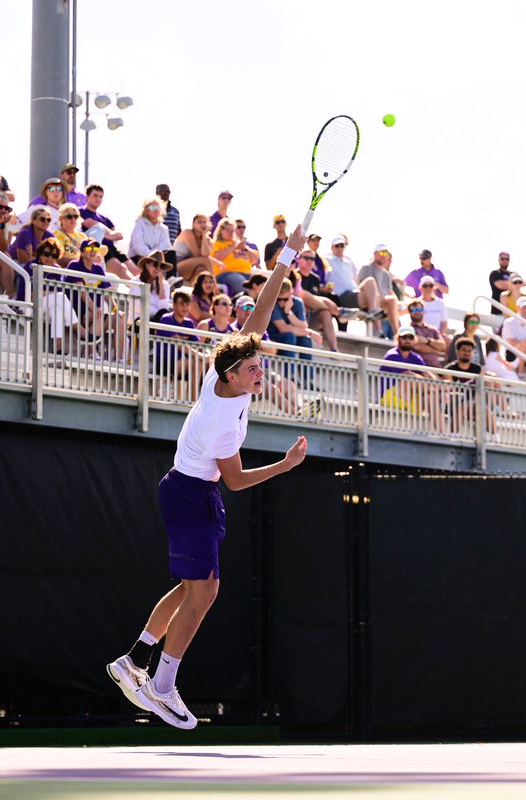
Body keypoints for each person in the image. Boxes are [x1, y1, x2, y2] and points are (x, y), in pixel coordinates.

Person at [106, 225, 309, 730]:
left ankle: (134, 658)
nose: (260, 373)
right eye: (254, 370)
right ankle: (162, 685)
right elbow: (236, 483)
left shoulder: (223, 372)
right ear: (231, 377)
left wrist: (287, 256)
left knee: (190, 587)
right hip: (192, 495)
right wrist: (284, 466)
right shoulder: (223, 424)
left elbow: (257, 316)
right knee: (206, 592)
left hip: (189, 492)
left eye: (259, 366)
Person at [81, 184, 132, 280]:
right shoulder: (80, 212)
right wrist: (107, 233)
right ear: (87, 196)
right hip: (100, 250)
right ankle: (141, 293)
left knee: (136, 270)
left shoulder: (104, 218)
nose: (98, 199)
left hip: (113, 250)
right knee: (121, 269)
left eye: (101, 196)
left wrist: (99, 227)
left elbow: (119, 235)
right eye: (95, 195)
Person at [293, 250, 339, 350]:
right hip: (297, 316)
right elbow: (301, 297)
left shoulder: (315, 279)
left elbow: (315, 301)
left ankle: (334, 349)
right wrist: (327, 302)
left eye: (312, 259)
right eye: (306, 258)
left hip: (312, 316)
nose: (309, 261)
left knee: (326, 313)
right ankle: (338, 311)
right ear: (299, 259)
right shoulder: (294, 276)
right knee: (304, 298)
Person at [357, 244, 404, 336]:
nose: (383, 255)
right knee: (376, 296)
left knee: (392, 300)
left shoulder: (387, 274)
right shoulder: (366, 268)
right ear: (375, 254)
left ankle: (398, 334)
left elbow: (389, 291)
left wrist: (399, 303)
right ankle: (379, 331)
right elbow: (361, 288)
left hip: (381, 303)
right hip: (366, 300)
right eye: (381, 252)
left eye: (385, 253)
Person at [211, 217, 257, 296]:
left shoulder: (240, 245)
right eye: (228, 230)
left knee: (262, 284)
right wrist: (233, 247)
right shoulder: (217, 243)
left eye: (232, 230)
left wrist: (245, 248)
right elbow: (216, 257)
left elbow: (255, 260)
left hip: (246, 273)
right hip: (227, 273)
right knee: (243, 285)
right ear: (221, 230)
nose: (231, 233)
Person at [172, 214, 221, 284]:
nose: (202, 224)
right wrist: (216, 262)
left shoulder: (208, 240)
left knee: (201, 269)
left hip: (190, 267)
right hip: (177, 265)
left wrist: (204, 235)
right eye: (199, 222)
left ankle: (198, 292)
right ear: (193, 224)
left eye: (204, 222)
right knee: (205, 260)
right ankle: (215, 287)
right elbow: (198, 255)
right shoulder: (187, 232)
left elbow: (205, 254)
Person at [405, 299, 447, 368]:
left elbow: (443, 346)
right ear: (410, 313)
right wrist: (436, 350)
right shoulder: (408, 330)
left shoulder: (433, 329)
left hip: (436, 367)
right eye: (414, 310)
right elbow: (418, 347)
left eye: (420, 309)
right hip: (419, 367)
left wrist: (427, 341)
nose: (417, 312)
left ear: (424, 311)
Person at [130, 198, 173, 263]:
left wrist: (155, 255)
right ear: (147, 210)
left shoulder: (164, 228)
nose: (156, 210)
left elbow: (165, 246)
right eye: (153, 207)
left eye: (158, 208)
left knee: (171, 253)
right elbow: (137, 245)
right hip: (139, 257)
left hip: (157, 258)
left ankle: (171, 273)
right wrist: (150, 254)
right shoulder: (140, 223)